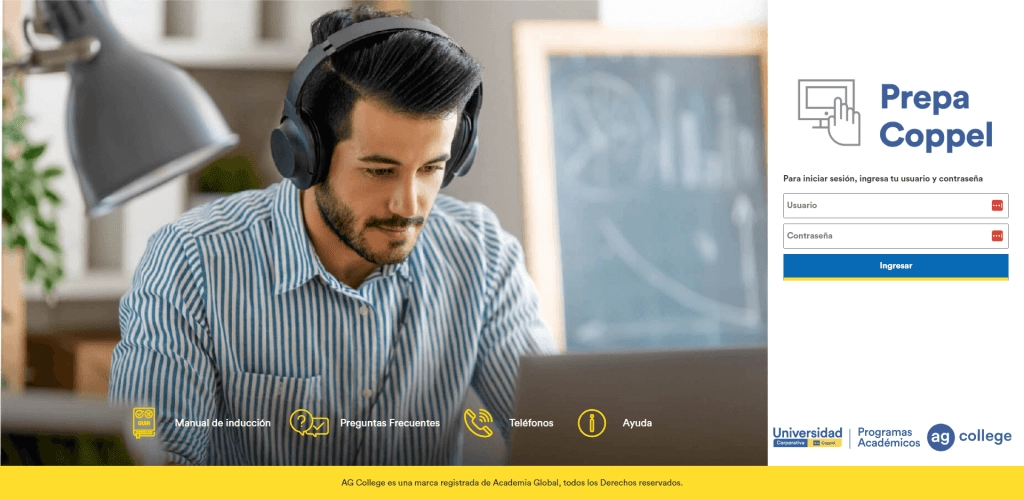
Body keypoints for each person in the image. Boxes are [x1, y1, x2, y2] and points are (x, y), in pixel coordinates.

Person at [109, 6, 558, 465]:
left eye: (431, 169)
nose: (408, 204)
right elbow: (152, 464)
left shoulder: (483, 256)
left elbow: (559, 440)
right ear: (306, 155)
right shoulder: (192, 262)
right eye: (379, 170)